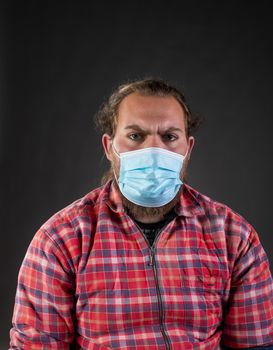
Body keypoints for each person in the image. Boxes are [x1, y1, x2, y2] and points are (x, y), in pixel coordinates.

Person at [10, 78, 273, 349]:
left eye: (169, 137)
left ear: (188, 149)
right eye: (136, 136)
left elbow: (256, 345)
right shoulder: (61, 239)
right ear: (109, 148)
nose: (154, 151)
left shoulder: (234, 236)